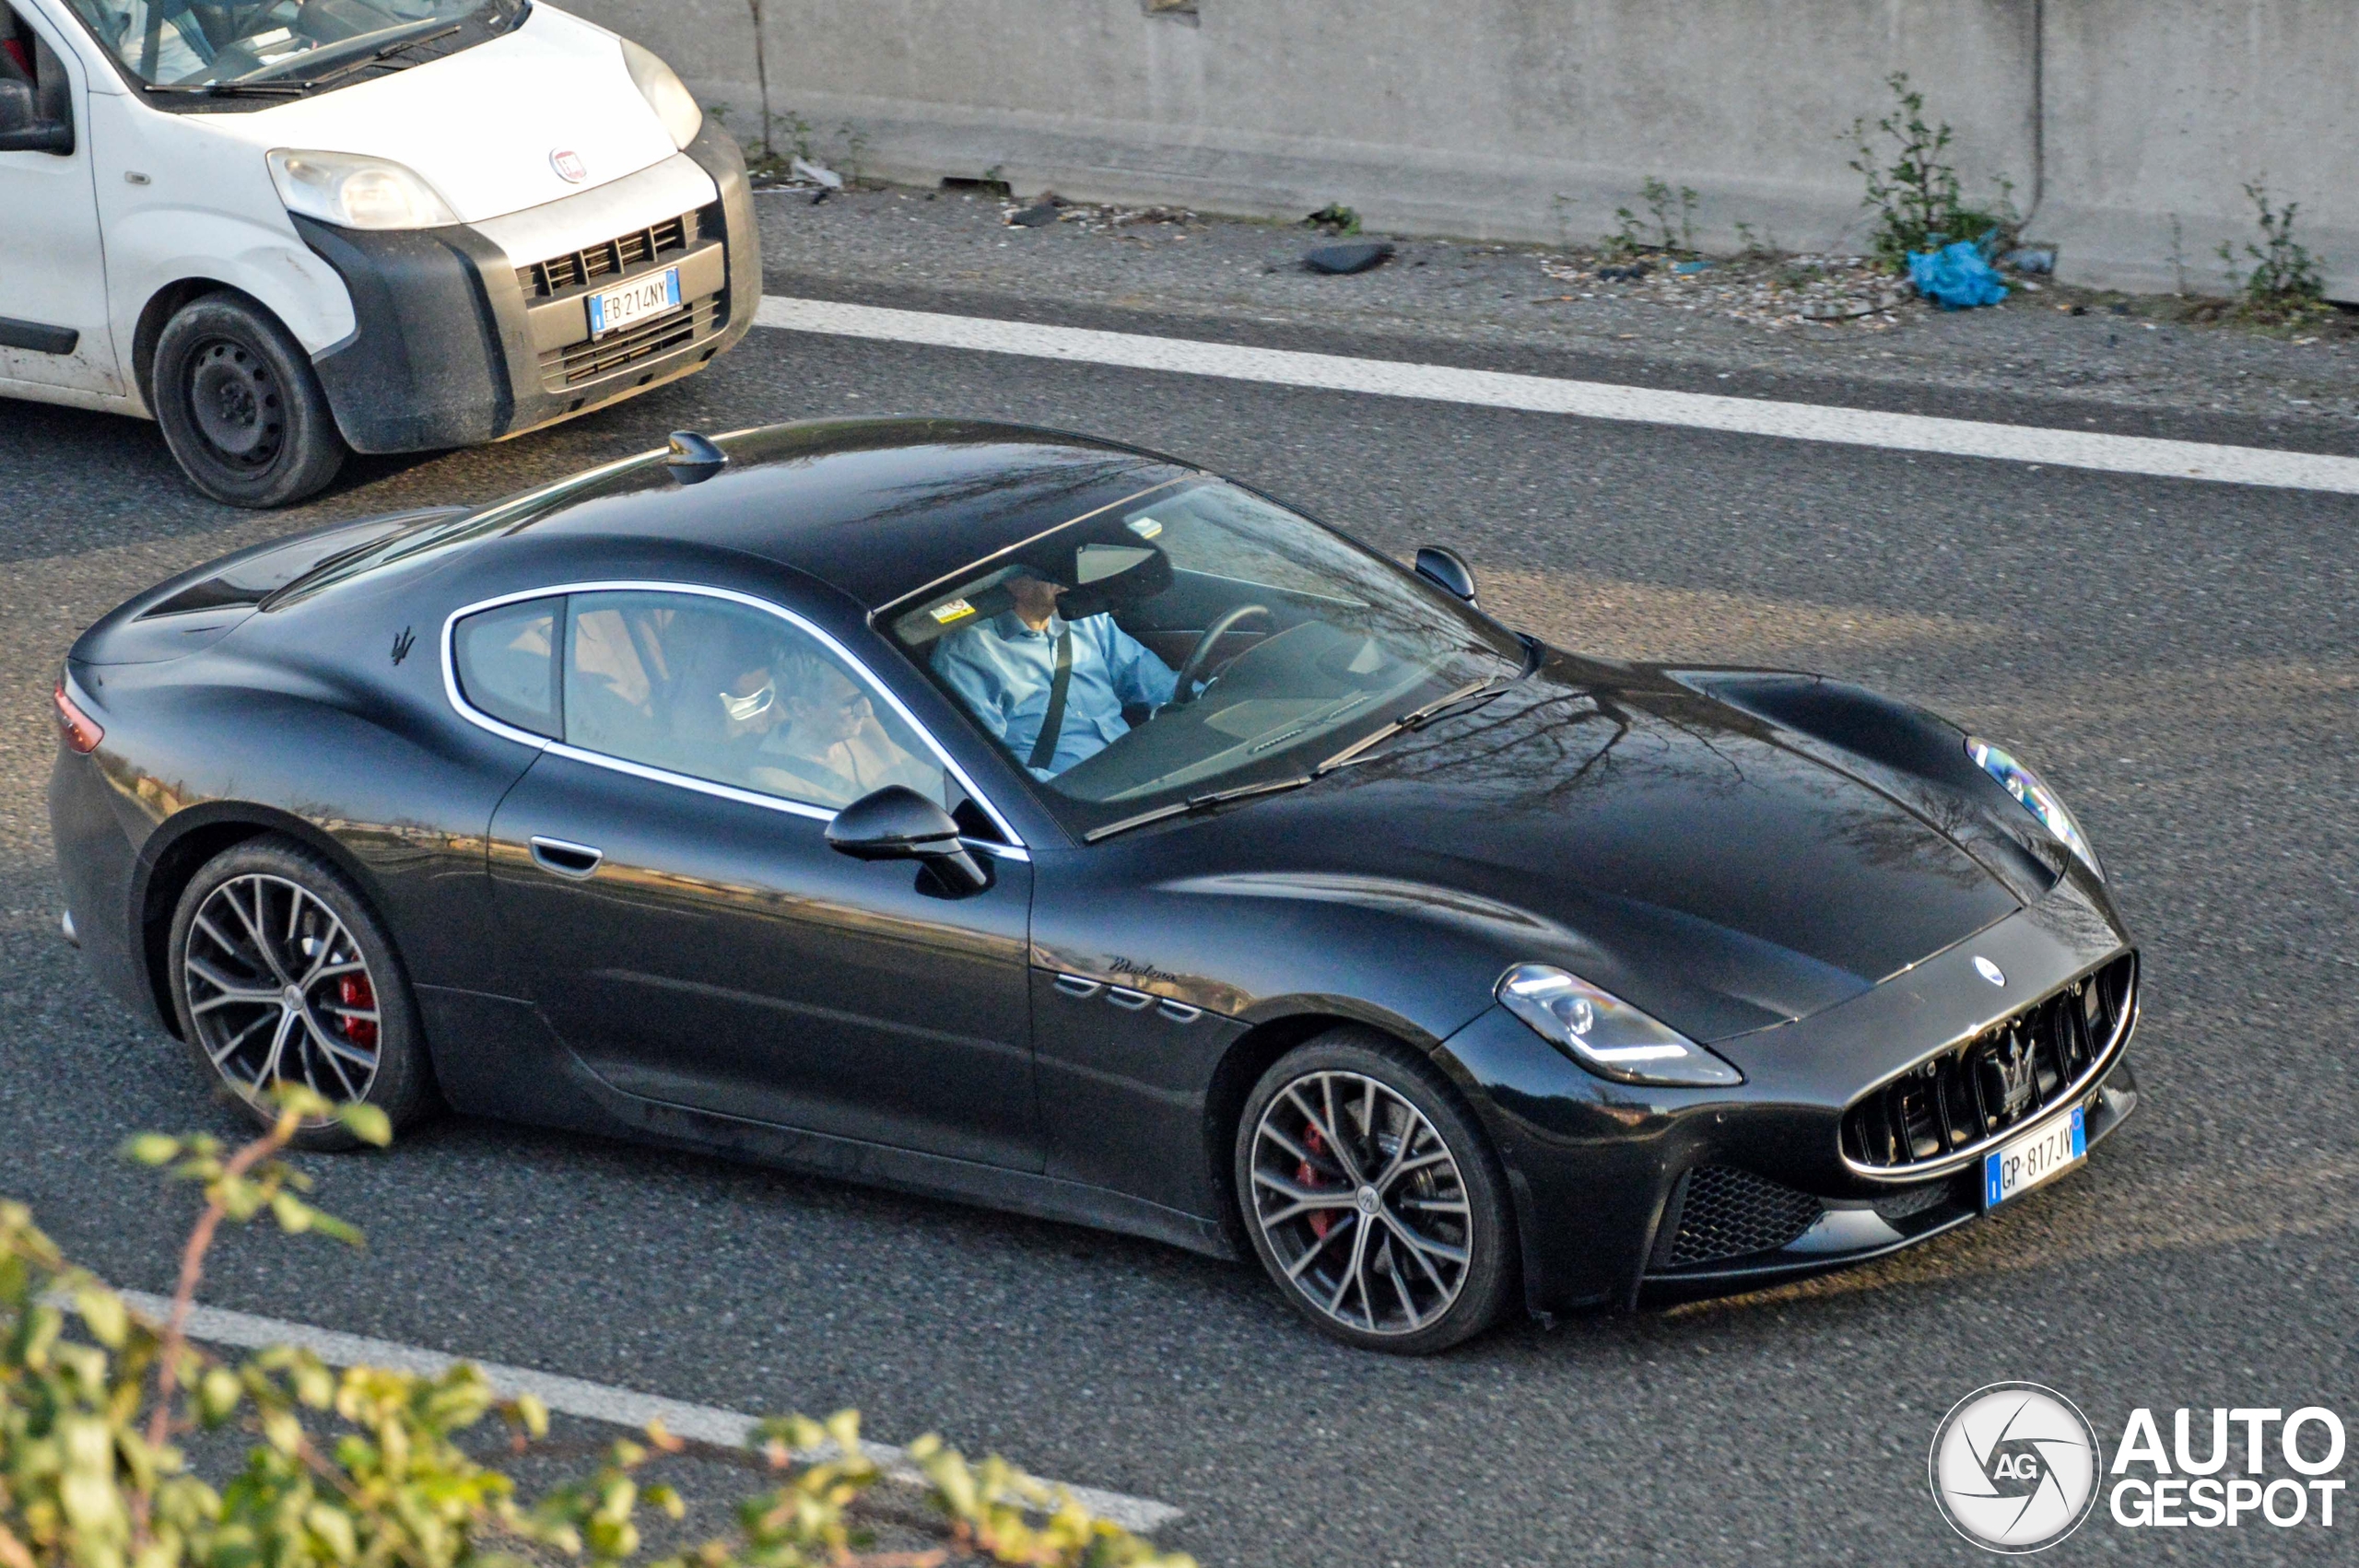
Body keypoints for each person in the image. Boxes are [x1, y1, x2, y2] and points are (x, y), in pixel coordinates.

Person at [931, 568, 1180, 778]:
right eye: (1049, 569)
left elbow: (1159, 685)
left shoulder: (1085, 620)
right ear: (1009, 579)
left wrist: (1212, 702)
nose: (1067, 576)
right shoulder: (968, 655)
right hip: (1068, 806)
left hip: (1140, 773)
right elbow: (985, 768)